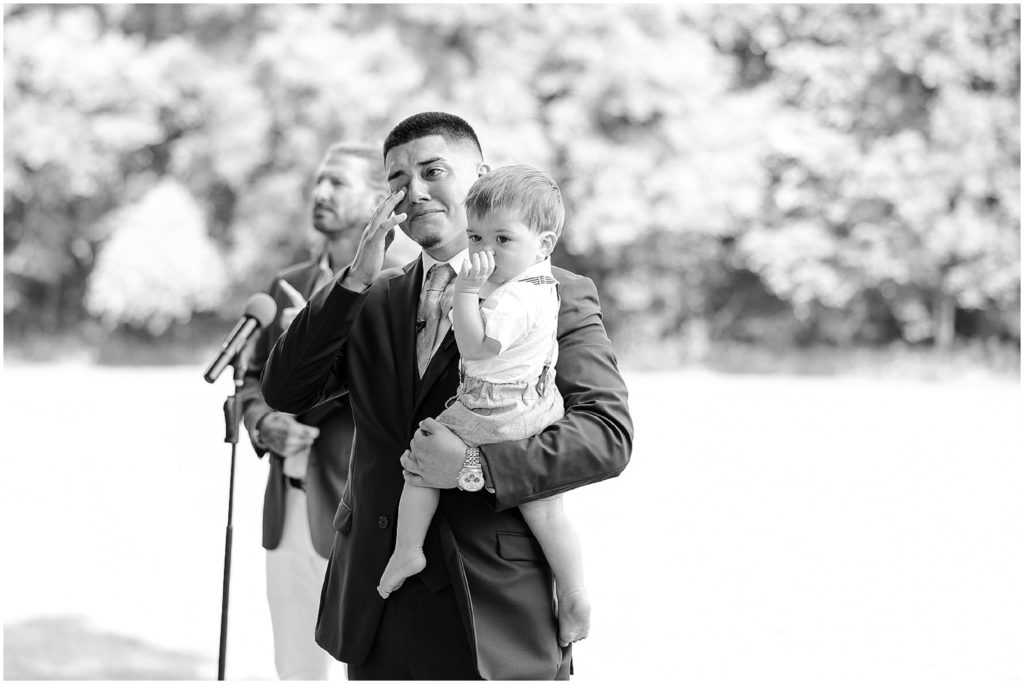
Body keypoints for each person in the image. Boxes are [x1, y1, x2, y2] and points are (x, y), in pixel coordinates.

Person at [260, 112, 632, 680]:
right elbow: (285, 389)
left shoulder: (553, 292)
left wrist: (475, 466)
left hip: (496, 610)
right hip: (378, 603)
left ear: (480, 175)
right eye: (398, 180)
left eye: (434, 170)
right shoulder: (372, 296)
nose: (415, 191)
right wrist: (354, 280)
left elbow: (605, 436)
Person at [376, 164, 591, 647]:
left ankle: (408, 549)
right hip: (535, 403)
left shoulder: (514, 300)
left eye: (502, 240)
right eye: (475, 238)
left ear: (545, 244)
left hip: (491, 410)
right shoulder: (538, 285)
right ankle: (574, 591)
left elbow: (476, 348)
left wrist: (466, 294)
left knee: (424, 458)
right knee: (549, 513)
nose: (484, 252)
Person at [239, 141, 414, 680]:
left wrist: (314, 347)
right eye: (318, 181)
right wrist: (266, 423)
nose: (321, 193)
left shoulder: (404, 286)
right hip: (284, 511)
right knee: (293, 666)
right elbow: (248, 381)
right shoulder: (284, 283)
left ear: (379, 199)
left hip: (357, 511)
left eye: (338, 182)